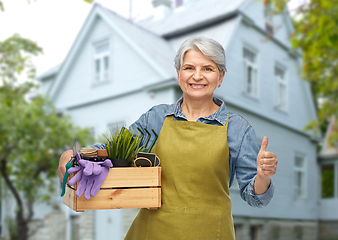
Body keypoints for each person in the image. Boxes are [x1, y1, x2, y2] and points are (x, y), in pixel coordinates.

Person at [58, 37, 278, 240]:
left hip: (211, 233)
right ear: (178, 74)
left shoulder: (238, 129)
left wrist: (262, 177)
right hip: (154, 231)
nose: (197, 76)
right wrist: (74, 156)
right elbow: (114, 150)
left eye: (208, 69)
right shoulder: (156, 118)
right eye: (189, 67)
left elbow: (256, 198)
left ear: (220, 77)